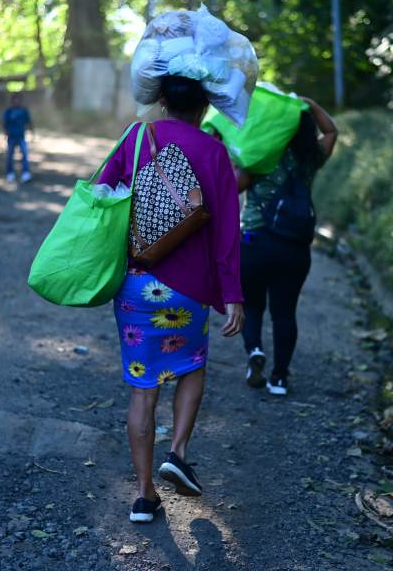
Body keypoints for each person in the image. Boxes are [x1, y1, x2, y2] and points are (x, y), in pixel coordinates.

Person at [98, 74, 245, 523]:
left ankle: (144, 496)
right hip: (189, 289)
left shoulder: (136, 138)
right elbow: (226, 233)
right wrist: (233, 295)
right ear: (204, 108)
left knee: (142, 390)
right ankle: (177, 452)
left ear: (161, 101)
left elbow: (102, 197)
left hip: (137, 284)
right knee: (191, 365)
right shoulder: (214, 152)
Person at [238, 97, 337, 396]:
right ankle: (279, 378)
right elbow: (331, 131)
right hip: (293, 246)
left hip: (254, 241)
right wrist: (308, 105)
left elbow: (235, 184)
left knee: (252, 305)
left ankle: (254, 350)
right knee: (285, 313)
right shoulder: (310, 157)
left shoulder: (261, 152)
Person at [1, 93, 33, 183]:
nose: (17, 101)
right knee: (9, 156)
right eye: (15, 99)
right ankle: (10, 174)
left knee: (24, 155)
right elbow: (4, 123)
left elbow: (29, 122)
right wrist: (5, 132)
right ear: (12, 101)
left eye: (18, 100)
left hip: (21, 137)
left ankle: (25, 174)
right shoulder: (9, 111)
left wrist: (32, 133)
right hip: (11, 137)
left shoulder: (24, 111)